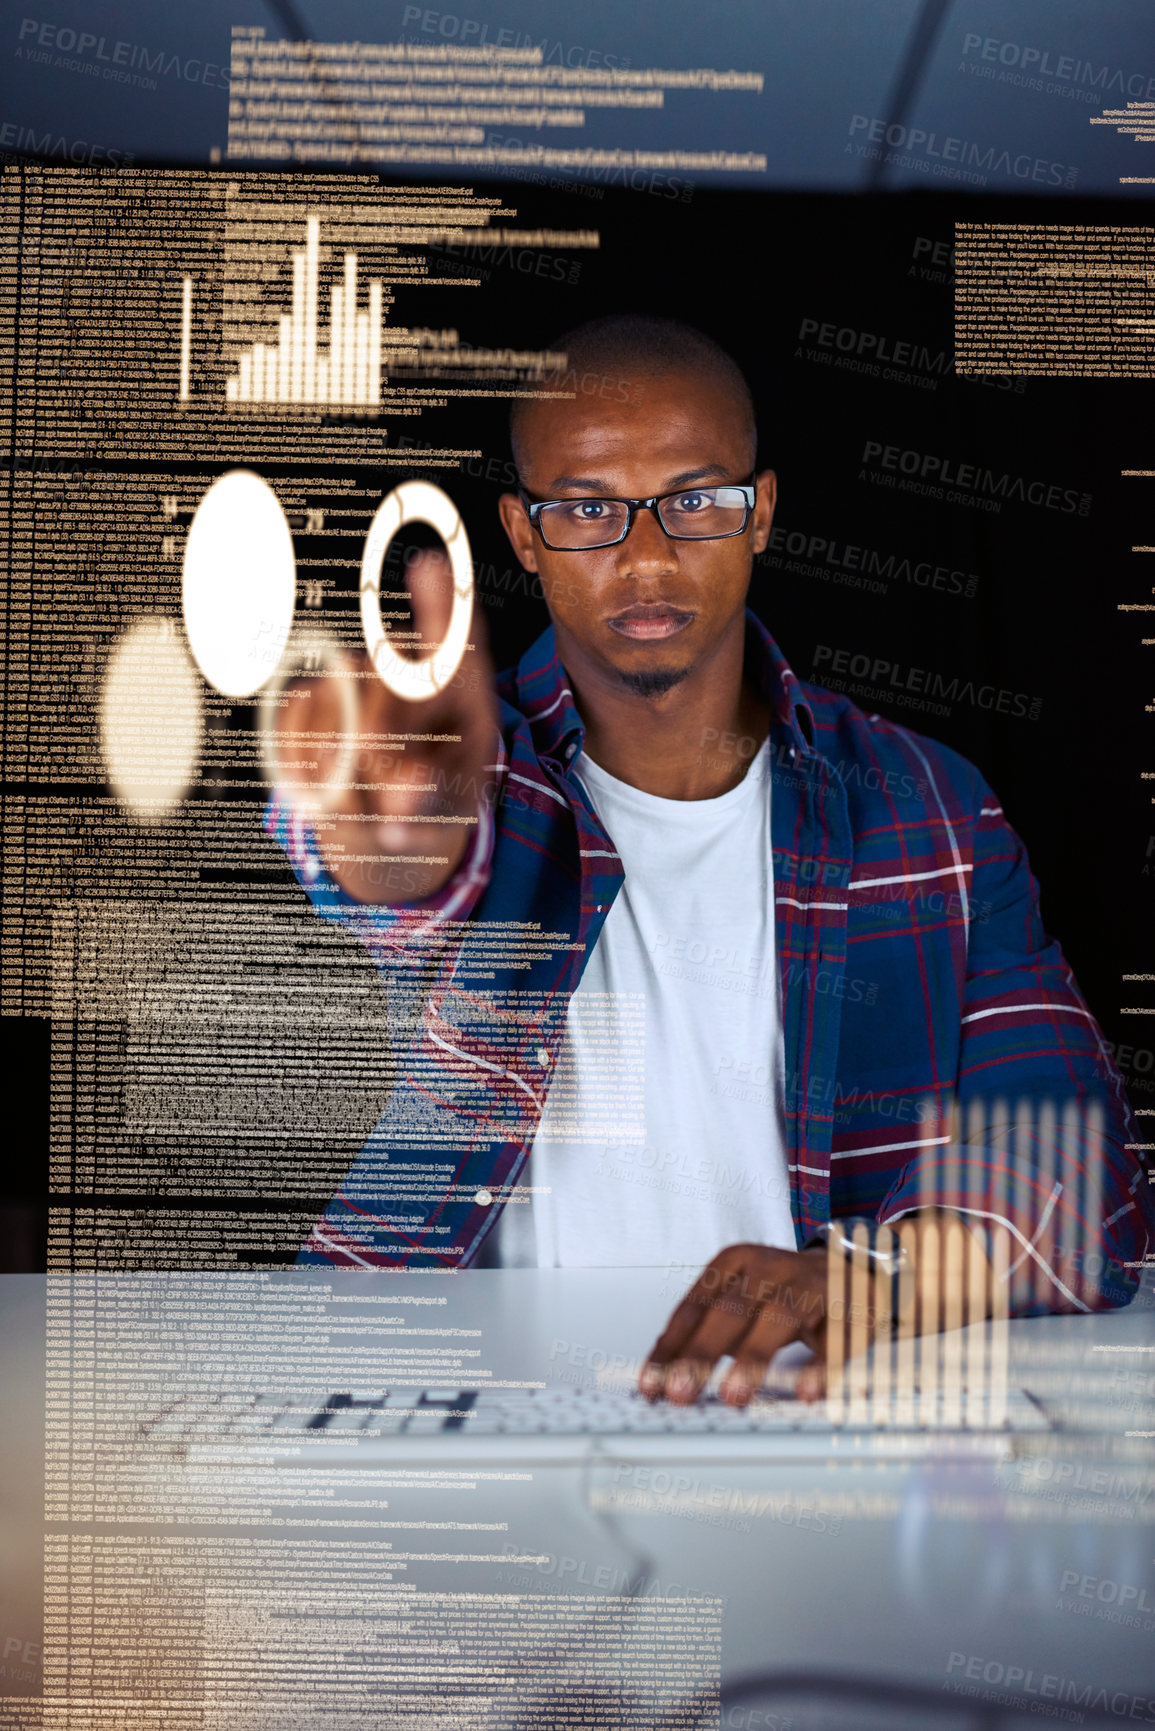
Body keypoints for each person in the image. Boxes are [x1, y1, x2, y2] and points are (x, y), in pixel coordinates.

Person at [266, 315, 1151, 1406]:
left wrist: (879, 1279)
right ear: (523, 533)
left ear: (761, 513)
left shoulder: (928, 810)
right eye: (588, 508)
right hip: (473, 1428)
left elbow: (1082, 1187)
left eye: (693, 500)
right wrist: (393, 839)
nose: (645, 555)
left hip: (810, 1422)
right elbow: (400, 883)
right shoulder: (482, 784)